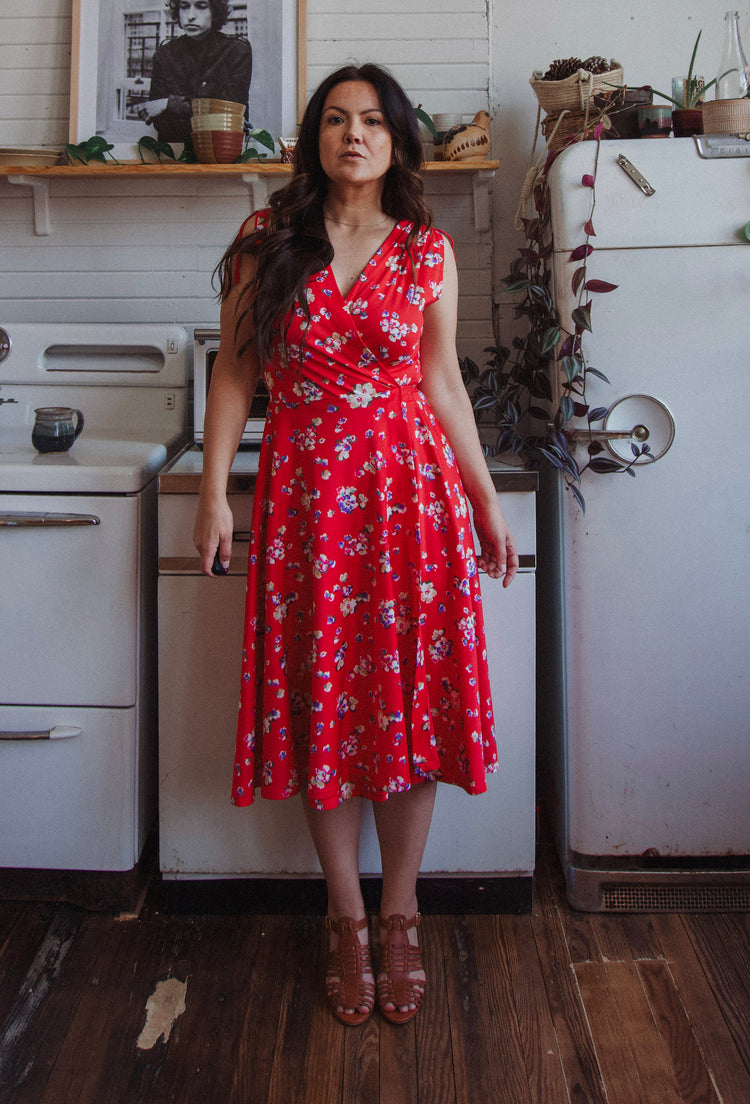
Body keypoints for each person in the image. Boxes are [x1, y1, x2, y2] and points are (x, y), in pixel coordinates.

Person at [193, 62, 519, 1027]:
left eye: (372, 121)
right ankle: (345, 919)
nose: (353, 135)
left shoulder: (426, 248)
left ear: (397, 139)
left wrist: (485, 501)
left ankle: (402, 912)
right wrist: (214, 496)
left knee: (407, 707)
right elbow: (235, 381)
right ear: (315, 137)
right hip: (305, 508)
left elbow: (443, 390)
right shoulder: (266, 241)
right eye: (335, 120)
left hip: (411, 504)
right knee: (327, 709)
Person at [138, 0, 252, 143]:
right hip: (174, 151)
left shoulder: (237, 51)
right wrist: (210, 111)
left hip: (220, 151)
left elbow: (230, 114)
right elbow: (161, 123)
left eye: (201, 6)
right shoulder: (164, 54)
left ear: (215, 11)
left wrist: (168, 104)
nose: (190, 16)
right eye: (184, 7)